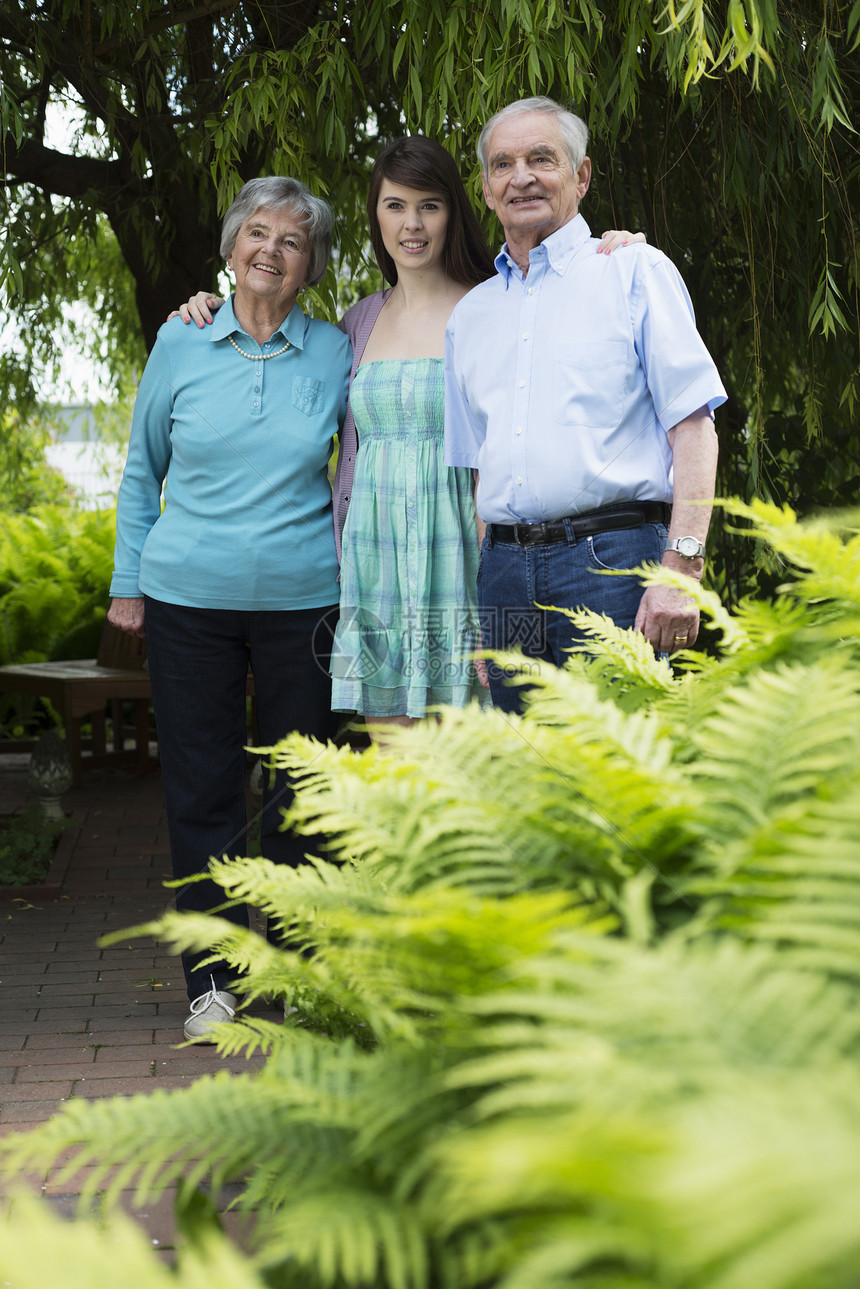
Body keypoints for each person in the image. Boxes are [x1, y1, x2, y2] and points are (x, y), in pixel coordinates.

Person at [176, 140, 643, 737]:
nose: (413, 224)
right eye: (396, 206)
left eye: (430, 205)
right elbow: (271, 367)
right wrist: (205, 309)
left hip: (469, 557)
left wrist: (615, 253)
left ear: (454, 212)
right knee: (397, 767)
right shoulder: (355, 323)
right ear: (376, 216)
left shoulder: (497, 302)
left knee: (488, 752)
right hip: (376, 564)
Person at [108, 177, 352, 1040]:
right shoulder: (180, 342)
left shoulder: (334, 350)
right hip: (186, 602)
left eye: (292, 241)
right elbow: (143, 472)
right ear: (230, 246)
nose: (271, 252)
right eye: (258, 233)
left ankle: (292, 969)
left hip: (305, 601)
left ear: (310, 265)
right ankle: (211, 979)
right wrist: (127, 585)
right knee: (202, 791)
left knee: (299, 789)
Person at [444, 98, 726, 714]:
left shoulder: (634, 271)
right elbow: (480, 478)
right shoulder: (469, 318)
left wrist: (681, 571)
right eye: (503, 164)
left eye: (541, 158)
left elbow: (695, 430)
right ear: (487, 191)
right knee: (528, 782)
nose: (521, 177)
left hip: (612, 566)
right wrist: (485, 609)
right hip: (505, 579)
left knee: (622, 786)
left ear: (582, 176)